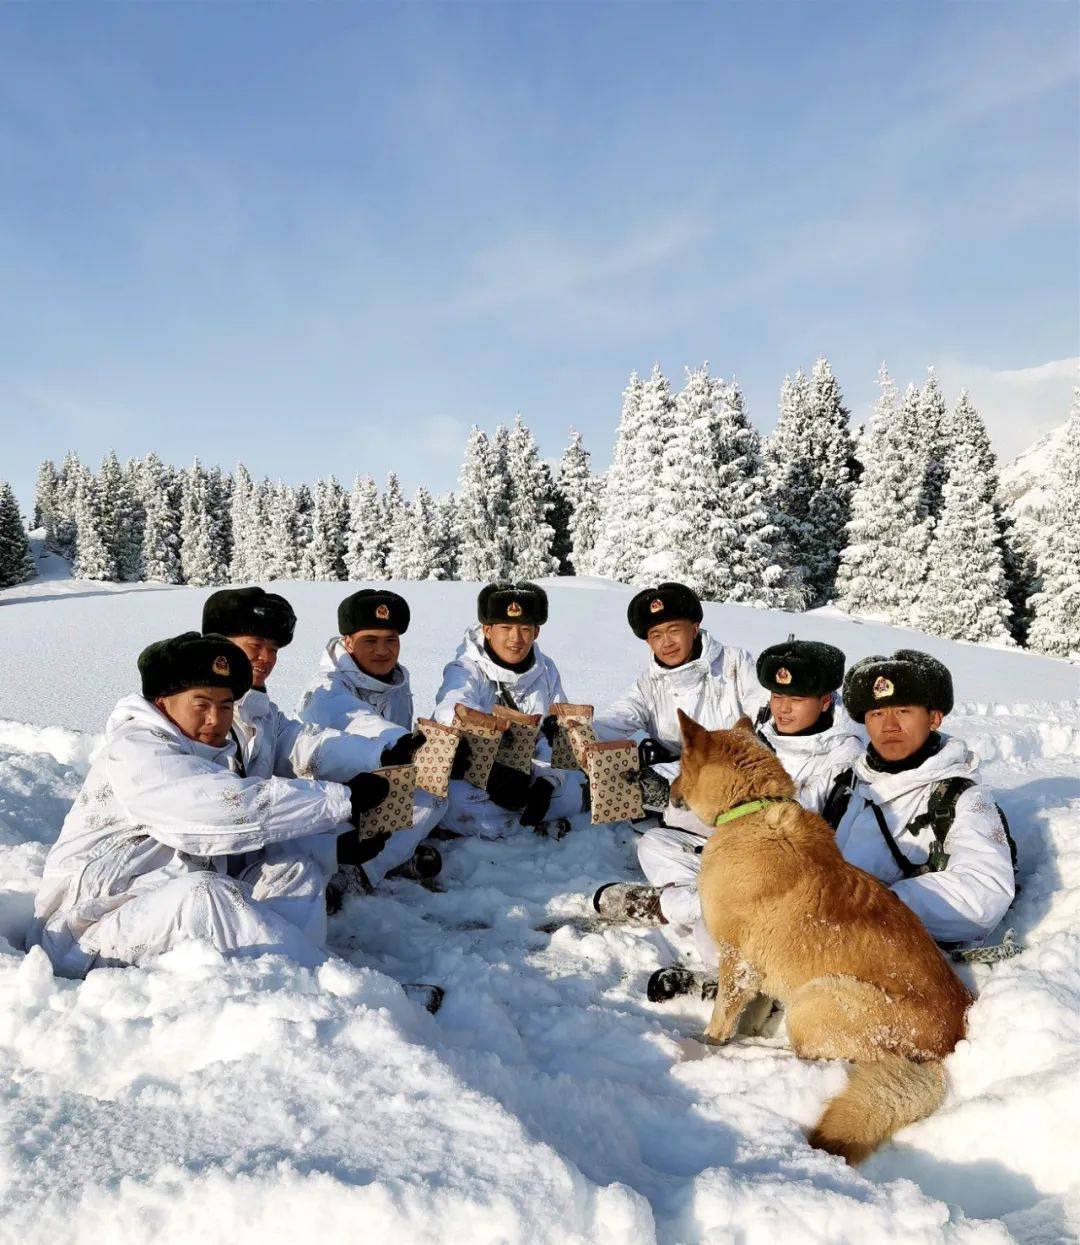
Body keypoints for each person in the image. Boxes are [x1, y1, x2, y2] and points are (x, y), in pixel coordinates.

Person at [29, 632, 389, 978]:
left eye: (226, 706)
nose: (215, 720)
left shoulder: (209, 755)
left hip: (159, 911)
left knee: (291, 868)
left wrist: (332, 849)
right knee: (205, 894)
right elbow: (224, 814)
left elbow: (233, 848)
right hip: (88, 933)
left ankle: (284, 979)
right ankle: (325, 985)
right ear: (162, 703)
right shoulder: (137, 751)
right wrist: (342, 800)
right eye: (201, 705)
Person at [202, 586, 407, 906]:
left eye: (273, 649)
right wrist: (344, 799)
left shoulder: (261, 712)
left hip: (234, 862)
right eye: (255, 645)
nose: (266, 658)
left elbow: (305, 743)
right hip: (178, 881)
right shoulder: (187, 717)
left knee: (304, 866)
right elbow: (228, 808)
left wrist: (380, 753)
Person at [590, 582, 767, 929]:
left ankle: (677, 906)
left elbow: (765, 726)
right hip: (690, 803)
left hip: (741, 795)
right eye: (656, 635)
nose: (667, 642)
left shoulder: (734, 664)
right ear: (647, 641)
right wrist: (579, 730)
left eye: (674, 630)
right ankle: (703, 901)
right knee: (652, 845)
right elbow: (617, 720)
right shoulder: (650, 682)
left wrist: (668, 778)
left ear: (695, 628)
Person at [824, 649, 1015, 946]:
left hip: (887, 948)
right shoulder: (847, 785)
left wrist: (879, 905)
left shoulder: (960, 797)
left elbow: (985, 890)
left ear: (934, 718)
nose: (889, 725)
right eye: (876, 714)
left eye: (903, 711)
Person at [298, 589, 463, 884]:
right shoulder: (326, 688)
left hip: (380, 782)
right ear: (348, 642)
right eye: (370, 640)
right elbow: (360, 722)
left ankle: (387, 858)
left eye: (391, 640)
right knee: (427, 799)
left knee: (437, 795)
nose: (382, 650)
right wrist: (413, 749)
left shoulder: (395, 680)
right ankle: (358, 874)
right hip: (334, 795)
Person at [432, 582, 588, 838]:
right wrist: (492, 767)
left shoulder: (546, 670)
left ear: (536, 632)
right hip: (479, 771)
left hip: (528, 769)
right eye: (505, 628)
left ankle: (502, 827)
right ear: (488, 630)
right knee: (451, 802)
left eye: (525, 628)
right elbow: (450, 708)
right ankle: (527, 828)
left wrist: (547, 780)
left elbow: (558, 733)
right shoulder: (466, 668)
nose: (516, 639)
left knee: (568, 794)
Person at [752, 637, 863, 811]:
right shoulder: (760, 739)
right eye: (777, 696)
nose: (783, 708)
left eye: (796, 699)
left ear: (825, 701)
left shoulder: (845, 762)